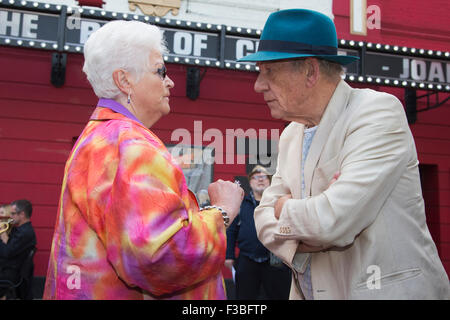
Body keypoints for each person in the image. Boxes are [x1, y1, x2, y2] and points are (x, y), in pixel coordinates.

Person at [239, 9, 450, 299]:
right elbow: (263, 220)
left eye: (269, 72)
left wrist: (284, 210)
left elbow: (330, 222)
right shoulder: (291, 134)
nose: (258, 85)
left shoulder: (377, 112)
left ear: (310, 71)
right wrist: (310, 226)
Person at [43, 20, 244, 300]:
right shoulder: (130, 144)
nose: (170, 81)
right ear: (124, 80)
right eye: (160, 71)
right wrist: (222, 211)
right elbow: (161, 259)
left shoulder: (100, 135)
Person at [225, 165, 291, 299]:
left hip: (274, 259)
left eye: (264, 177)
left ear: (270, 181)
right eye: (256, 177)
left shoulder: (279, 202)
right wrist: (229, 255)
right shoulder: (241, 203)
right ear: (250, 182)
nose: (260, 180)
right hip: (247, 259)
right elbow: (231, 230)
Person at [0, 199, 37, 299]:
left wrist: (3, 236)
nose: (10, 216)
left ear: (22, 214)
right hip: (8, 269)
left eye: (13, 214)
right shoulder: (20, 230)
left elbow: (6, 252)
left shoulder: (25, 233)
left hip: (11, 273)